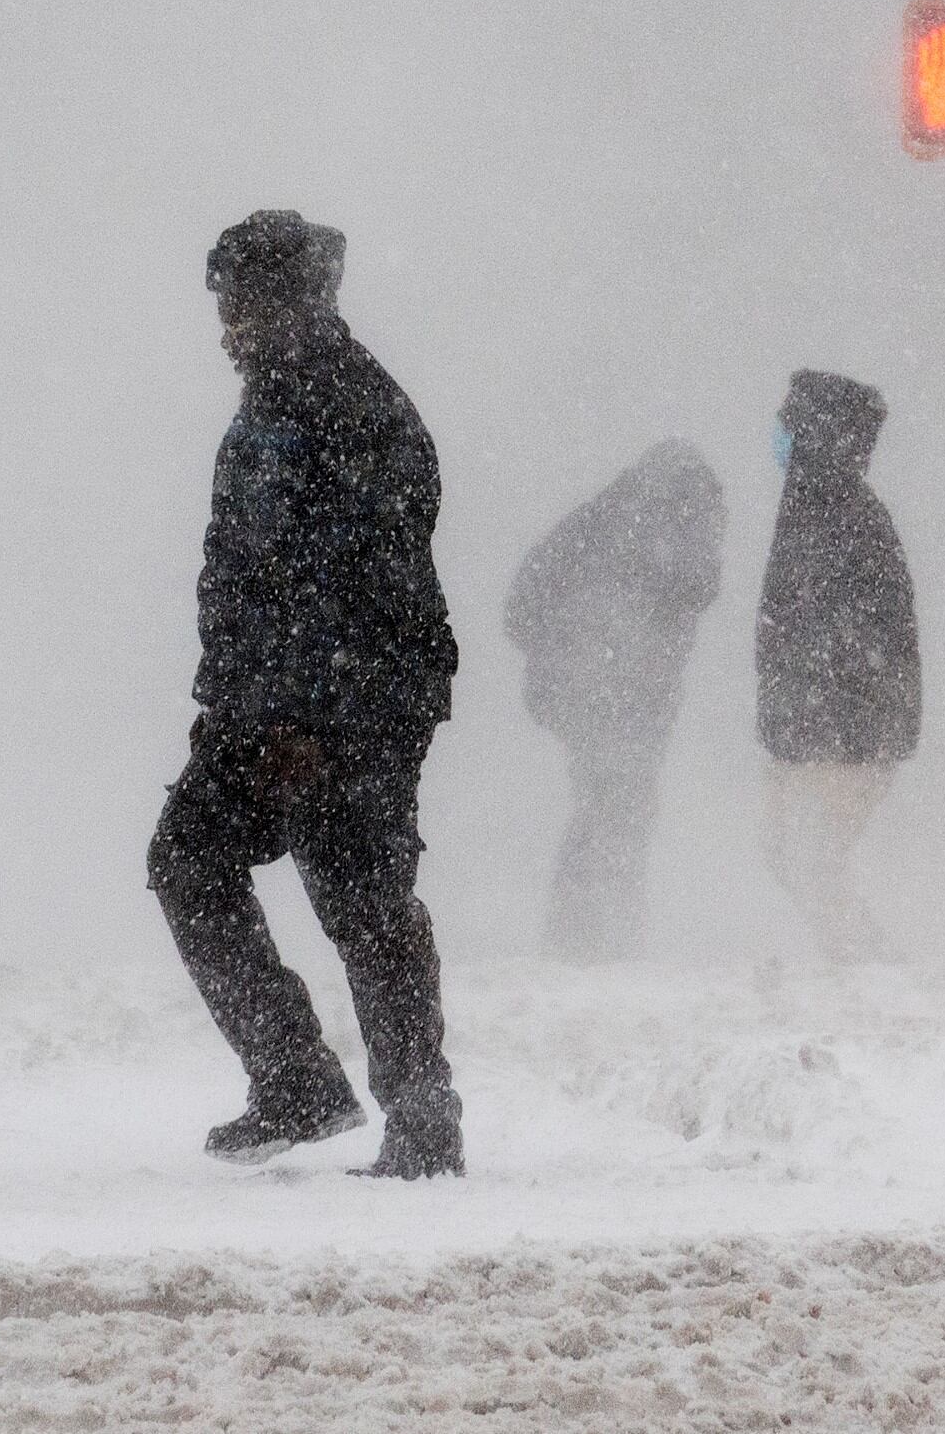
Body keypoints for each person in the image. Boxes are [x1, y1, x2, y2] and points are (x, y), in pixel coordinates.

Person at [146, 210, 466, 1178]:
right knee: (188, 861)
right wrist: (236, 700)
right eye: (224, 306)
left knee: (366, 904)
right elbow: (246, 569)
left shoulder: (352, 408)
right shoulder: (280, 397)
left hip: (345, 711)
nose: (226, 327)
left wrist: (308, 718)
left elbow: (352, 584)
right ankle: (295, 1081)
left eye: (241, 304)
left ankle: (421, 1122)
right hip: (263, 707)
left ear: (294, 302)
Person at [504, 441, 726, 962]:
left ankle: (583, 933)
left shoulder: (598, 516)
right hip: (623, 694)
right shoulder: (672, 528)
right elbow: (699, 586)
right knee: (618, 807)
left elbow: (519, 608)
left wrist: (562, 655)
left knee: (605, 804)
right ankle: (595, 936)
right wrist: (592, 650)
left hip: (591, 691)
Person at [753, 369, 917, 965]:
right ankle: (862, 962)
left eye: (788, 425)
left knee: (809, 857)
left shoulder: (842, 516)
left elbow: (851, 640)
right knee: (788, 852)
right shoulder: (810, 506)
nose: (777, 435)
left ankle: (864, 967)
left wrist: (817, 722)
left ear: (813, 434)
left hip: (838, 730)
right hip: (814, 724)